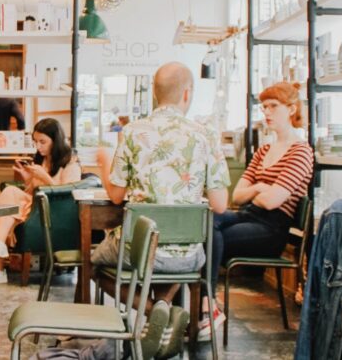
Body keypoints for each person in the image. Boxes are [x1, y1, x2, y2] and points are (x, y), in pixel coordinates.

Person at [93, 62, 231, 276]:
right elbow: (220, 205)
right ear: (187, 93)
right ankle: (163, 305)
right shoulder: (207, 135)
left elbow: (117, 196)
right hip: (190, 256)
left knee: (94, 259)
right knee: (172, 267)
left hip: (138, 251)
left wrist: (103, 161)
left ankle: (148, 306)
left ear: (155, 94)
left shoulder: (131, 132)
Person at [208, 82, 313, 330]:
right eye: (264, 107)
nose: (266, 112)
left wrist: (259, 191)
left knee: (210, 237)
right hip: (248, 215)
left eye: (273, 106)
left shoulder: (301, 152)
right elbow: (237, 195)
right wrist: (259, 188)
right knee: (206, 221)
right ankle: (204, 304)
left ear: (291, 109)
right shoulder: (264, 150)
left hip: (272, 228)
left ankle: (204, 304)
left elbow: (273, 201)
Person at [0, 118, 82, 285]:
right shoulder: (42, 159)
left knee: (6, 205)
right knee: (7, 199)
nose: (38, 147)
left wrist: (43, 176)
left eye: (43, 142)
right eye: (35, 142)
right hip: (35, 206)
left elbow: (67, 195)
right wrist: (26, 178)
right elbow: (32, 190)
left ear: (56, 140)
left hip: (53, 212)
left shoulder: (70, 162)